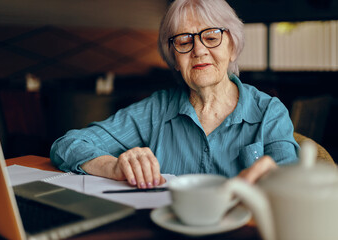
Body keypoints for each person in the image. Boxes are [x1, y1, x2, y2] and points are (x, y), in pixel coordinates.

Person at [50, 0, 299, 188]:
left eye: (211, 37)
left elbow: (293, 187)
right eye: (183, 41)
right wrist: (113, 166)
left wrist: (279, 182)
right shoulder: (155, 110)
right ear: (175, 59)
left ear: (232, 47)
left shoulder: (268, 112)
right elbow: (66, 145)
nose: (199, 50)